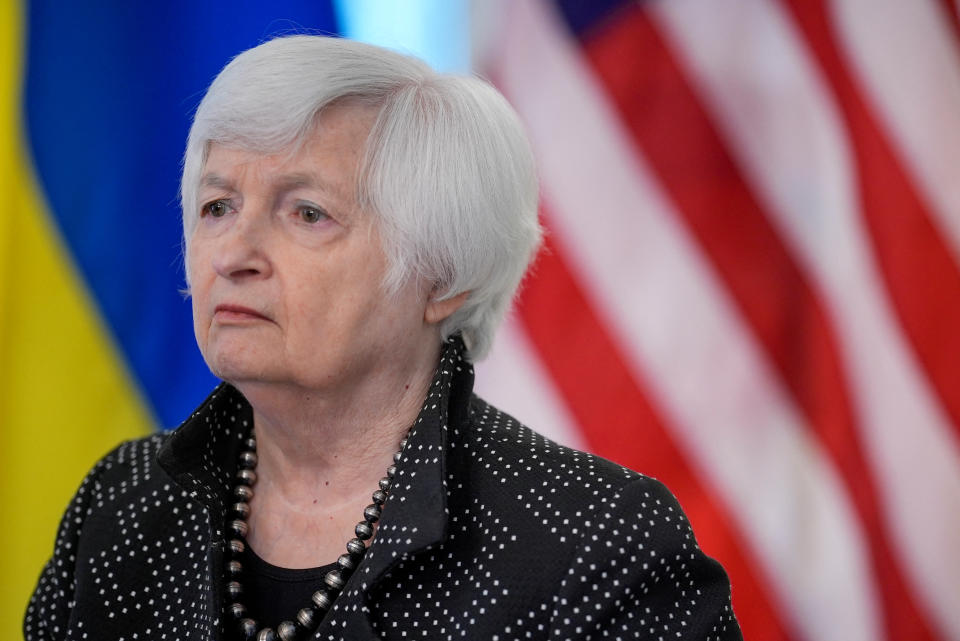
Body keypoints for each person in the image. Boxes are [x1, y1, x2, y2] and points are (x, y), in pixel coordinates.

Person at [24, 35, 742, 641]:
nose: (232, 252)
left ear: (442, 278)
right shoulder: (119, 505)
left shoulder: (598, 545)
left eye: (307, 213)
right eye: (217, 205)